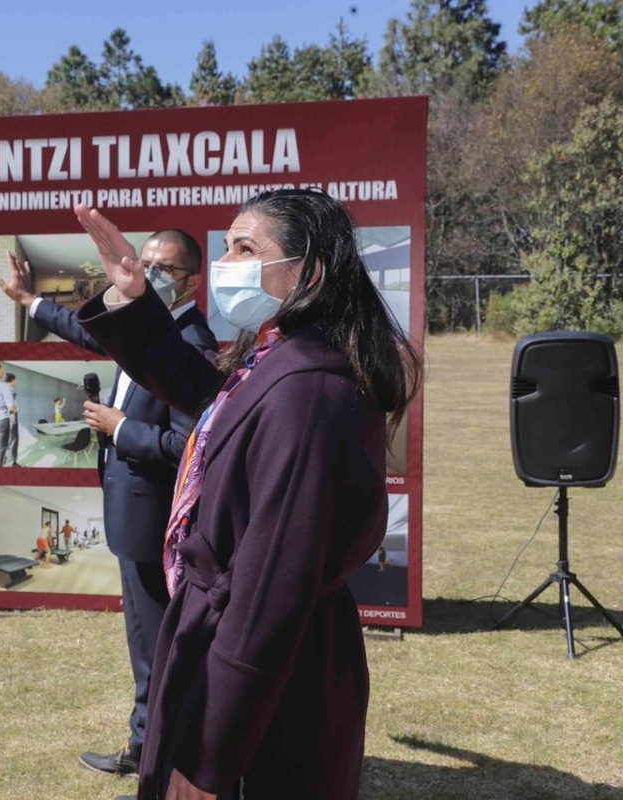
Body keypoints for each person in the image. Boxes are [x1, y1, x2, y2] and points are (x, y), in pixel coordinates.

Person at [74, 189, 420, 800]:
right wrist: (133, 300)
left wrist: (209, 755)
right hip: (256, 662)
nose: (227, 262)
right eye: (226, 246)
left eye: (245, 248)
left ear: (307, 270)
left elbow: (269, 594)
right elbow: (208, 394)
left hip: (271, 689)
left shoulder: (307, 391)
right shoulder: (283, 353)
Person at [0, 229, 217, 781]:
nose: (147, 275)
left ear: (192, 280)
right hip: (133, 514)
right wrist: (30, 303)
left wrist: (123, 429)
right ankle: (147, 749)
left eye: (163, 269)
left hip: (154, 520)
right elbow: (89, 331)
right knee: (146, 642)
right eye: (143, 263)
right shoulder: (146, 331)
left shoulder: (190, 342)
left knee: (154, 645)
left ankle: (154, 762)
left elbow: (191, 449)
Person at [0, 362, 16, 466]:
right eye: (1, 369)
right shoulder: (2, 386)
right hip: (1, 420)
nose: (3, 371)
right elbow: (11, 407)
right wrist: (13, 417)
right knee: (0, 449)